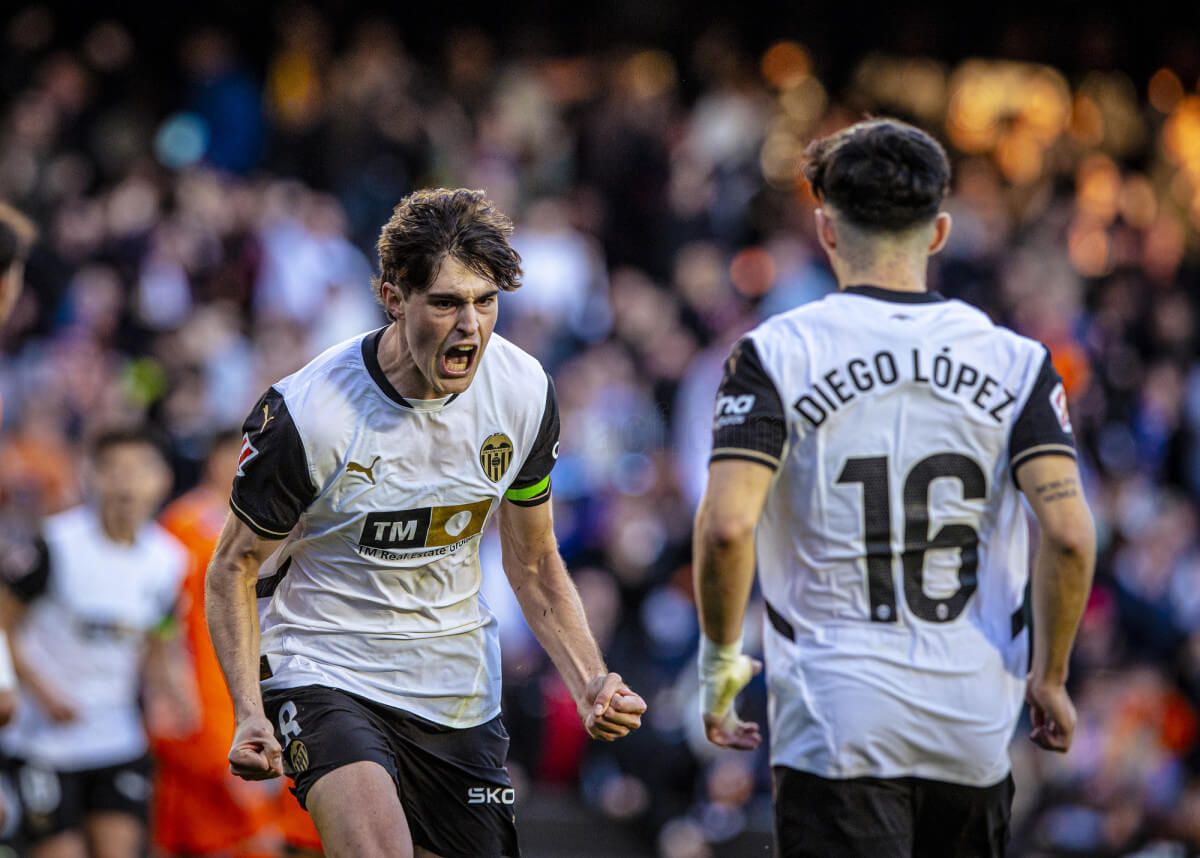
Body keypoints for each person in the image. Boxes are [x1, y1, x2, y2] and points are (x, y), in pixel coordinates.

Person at [693, 119, 1096, 858]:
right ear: (939, 232)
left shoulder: (775, 352)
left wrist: (721, 663)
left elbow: (725, 526)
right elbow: (1069, 535)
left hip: (835, 720)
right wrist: (1052, 677)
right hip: (972, 720)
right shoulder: (1019, 362)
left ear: (826, 229)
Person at [206, 188, 646, 858]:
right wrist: (247, 713)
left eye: (486, 301)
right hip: (325, 665)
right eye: (445, 303)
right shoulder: (310, 415)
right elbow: (233, 565)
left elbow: (533, 562)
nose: (470, 325)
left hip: (455, 685)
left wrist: (589, 680)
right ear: (393, 298)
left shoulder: (523, 391)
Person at [0, 427, 189, 858]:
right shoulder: (54, 544)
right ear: (91, 476)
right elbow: (3, 620)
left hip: (116, 736)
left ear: (162, 479)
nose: (126, 482)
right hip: (43, 740)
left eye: (140, 469)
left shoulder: (168, 559)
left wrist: (176, 694)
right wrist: (36, 690)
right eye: (114, 469)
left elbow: (160, 636)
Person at [150, 430, 279, 858]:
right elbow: (162, 612)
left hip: (251, 677)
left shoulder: (268, 519)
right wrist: (169, 682)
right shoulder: (183, 524)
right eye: (234, 454)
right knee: (206, 817)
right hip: (201, 687)